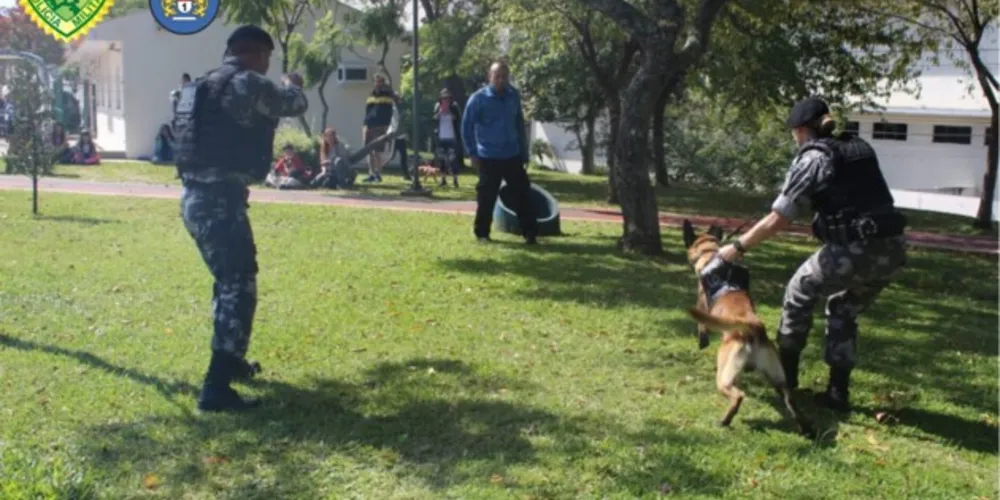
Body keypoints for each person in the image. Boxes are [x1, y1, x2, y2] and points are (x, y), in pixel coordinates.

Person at [711, 97, 907, 412]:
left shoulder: (815, 157)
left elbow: (779, 217)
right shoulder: (858, 147)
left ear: (801, 130)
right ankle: (837, 393)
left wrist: (735, 248)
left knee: (798, 291)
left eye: (793, 132)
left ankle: (786, 378)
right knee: (843, 307)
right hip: (893, 249)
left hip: (855, 248)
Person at [172, 24, 308, 412]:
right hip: (219, 199)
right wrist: (291, 83)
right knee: (238, 283)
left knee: (228, 280)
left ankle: (231, 362)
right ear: (259, 55)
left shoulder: (201, 86)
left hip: (194, 196)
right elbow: (294, 104)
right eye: (267, 59)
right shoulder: (247, 83)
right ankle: (216, 387)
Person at [461, 60, 537, 245]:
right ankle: (482, 234)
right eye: (497, 76)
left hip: (512, 155)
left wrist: (524, 152)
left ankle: (530, 234)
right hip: (488, 156)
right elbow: (466, 126)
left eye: (504, 76)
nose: (501, 80)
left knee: (523, 195)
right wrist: (472, 153)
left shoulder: (513, 96)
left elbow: (519, 124)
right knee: (486, 198)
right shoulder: (478, 98)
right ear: (490, 77)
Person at [361, 73, 400, 183]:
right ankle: (371, 174)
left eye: (380, 82)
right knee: (369, 151)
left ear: (383, 83)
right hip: (369, 126)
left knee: (377, 151)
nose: (377, 84)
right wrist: (365, 126)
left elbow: (396, 105)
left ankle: (378, 174)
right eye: (376, 82)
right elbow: (367, 112)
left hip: (381, 126)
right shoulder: (371, 96)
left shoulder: (388, 95)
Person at [433, 87, 462, 188]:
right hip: (441, 137)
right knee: (441, 159)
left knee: (452, 159)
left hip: (451, 137)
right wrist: (440, 112)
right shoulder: (437, 106)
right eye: (443, 98)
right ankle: (443, 179)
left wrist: (449, 111)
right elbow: (434, 119)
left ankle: (455, 180)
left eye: (447, 98)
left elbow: (457, 118)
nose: (445, 100)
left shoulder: (454, 106)